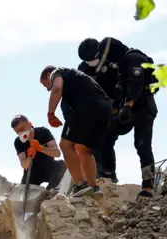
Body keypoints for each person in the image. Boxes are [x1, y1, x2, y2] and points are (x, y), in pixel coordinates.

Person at [79, 37, 159, 198]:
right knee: (105, 133)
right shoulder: (121, 64)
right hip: (124, 107)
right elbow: (120, 87)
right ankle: (106, 175)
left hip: (143, 107)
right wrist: (117, 108)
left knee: (142, 144)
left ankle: (148, 186)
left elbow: (136, 83)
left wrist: (128, 105)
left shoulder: (133, 58)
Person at [40, 65, 112, 199]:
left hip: (87, 106)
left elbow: (56, 88)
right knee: (83, 148)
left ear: (49, 74)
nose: (48, 89)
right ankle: (93, 187)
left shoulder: (58, 72)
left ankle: (80, 184)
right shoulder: (76, 81)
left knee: (65, 145)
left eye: (46, 85)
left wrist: (50, 114)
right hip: (104, 108)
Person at [11, 115, 66, 190]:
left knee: (61, 165)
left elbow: (57, 153)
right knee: (23, 192)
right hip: (33, 172)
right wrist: (30, 157)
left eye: (22, 129)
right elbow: (24, 165)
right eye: (17, 132)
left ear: (29, 124)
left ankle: (51, 192)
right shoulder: (18, 142)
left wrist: (40, 148)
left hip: (49, 168)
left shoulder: (43, 132)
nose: (20, 133)